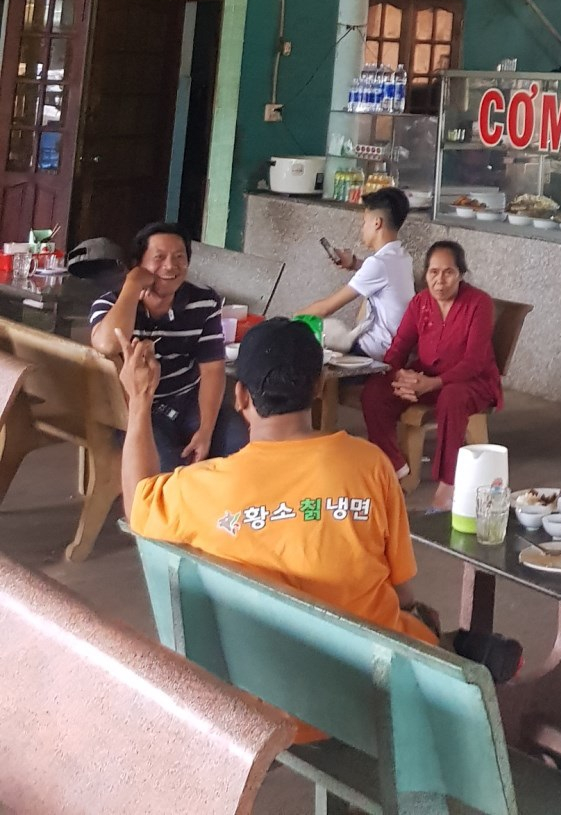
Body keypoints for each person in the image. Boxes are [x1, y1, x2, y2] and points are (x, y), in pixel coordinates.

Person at [123, 317, 437, 645]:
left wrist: (140, 400)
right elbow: (403, 593)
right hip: (379, 663)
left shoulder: (203, 489)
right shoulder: (370, 464)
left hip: (262, 665)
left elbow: (136, 505)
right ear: (319, 387)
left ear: (240, 396)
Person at [90, 222, 245, 470]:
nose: (171, 266)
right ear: (138, 264)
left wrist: (205, 431)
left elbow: (212, 369)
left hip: (187, 402)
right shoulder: (111, 304)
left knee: (241, 447)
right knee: (166, 467)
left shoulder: (204, 302)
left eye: (179, 257)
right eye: (159, 257)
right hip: (134, 410)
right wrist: (133, 285)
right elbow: (107, 344)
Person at [362, 240, 501, 512]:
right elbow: (397, 349)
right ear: (425, 274)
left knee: (452, 397)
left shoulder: (478, 303)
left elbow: (475, 361)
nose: (440, 280)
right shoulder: (420, 302)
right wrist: (400, 376)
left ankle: (447, 485)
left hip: (471, 381)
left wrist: (432, 384)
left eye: (448, 272)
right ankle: (395, 466)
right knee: (374, 392)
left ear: (461, 274)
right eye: (433, 272)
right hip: (427, 377)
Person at [296, 187, 414, 357]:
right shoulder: (402, 257)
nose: (362, 228)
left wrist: (291, 320)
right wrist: (354, 263)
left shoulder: (377, 264)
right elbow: (383, 272)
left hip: (373, 350)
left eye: (364, 222)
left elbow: (326, 308)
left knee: (309, 342)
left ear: (377, 223)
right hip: (394, 347)